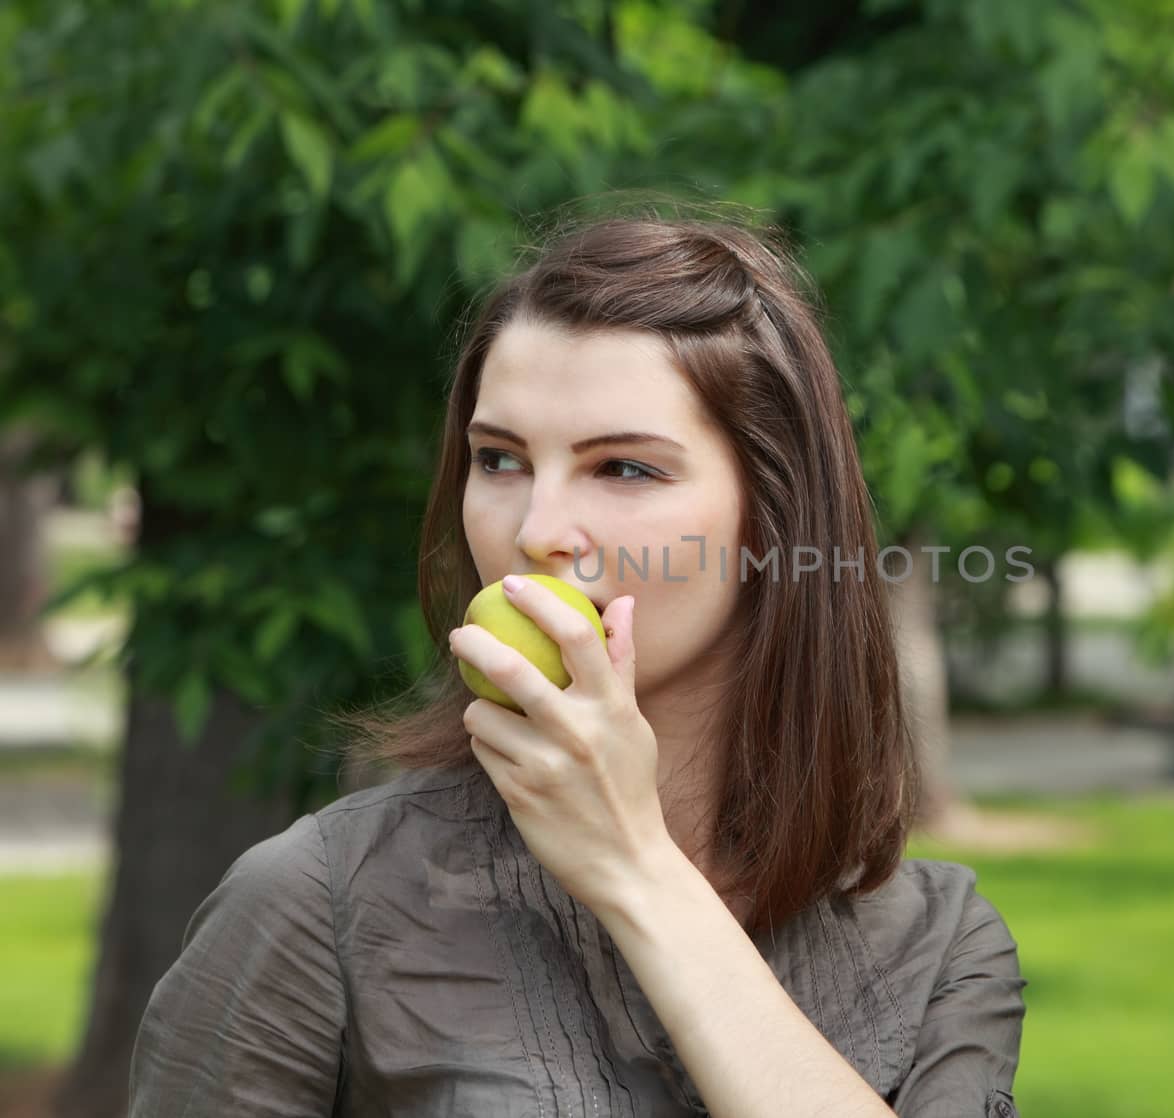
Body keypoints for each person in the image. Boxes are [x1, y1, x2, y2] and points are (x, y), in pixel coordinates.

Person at [127, 211, 1027, 1116]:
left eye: (624, 469)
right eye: (499, 459)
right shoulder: (319, 904)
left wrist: (638, 869)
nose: (536, 531)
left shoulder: (936, 947)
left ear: (774, 519)